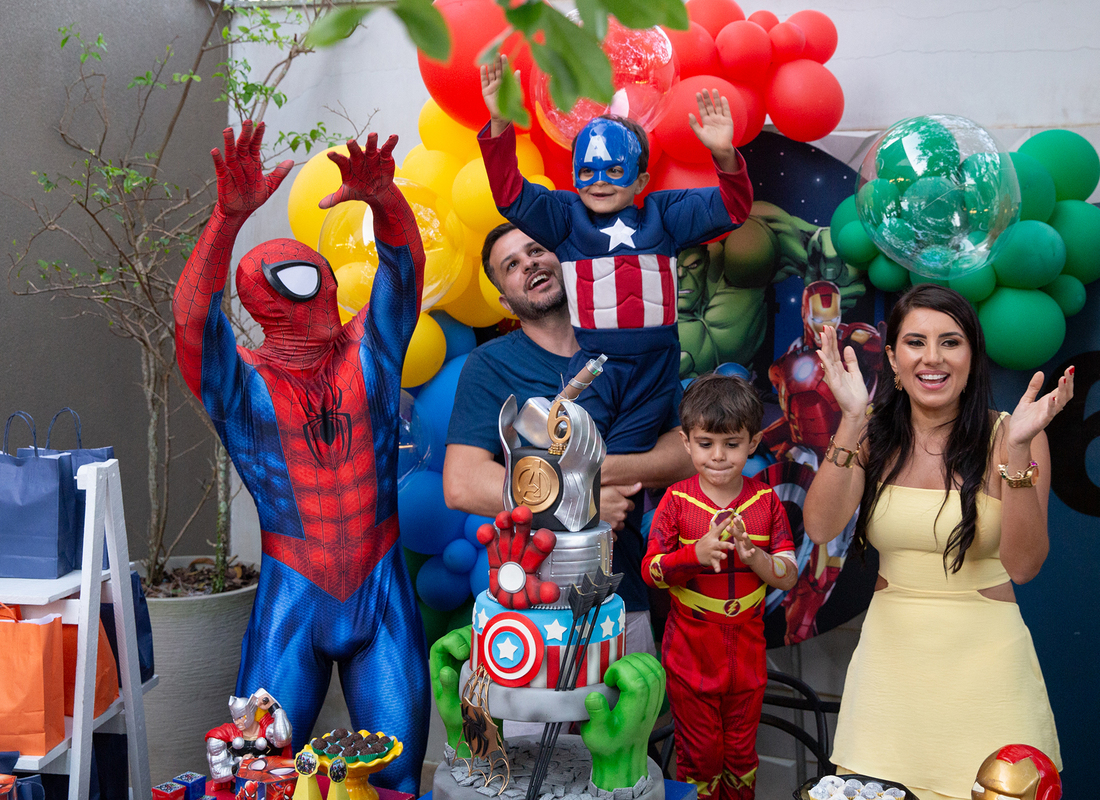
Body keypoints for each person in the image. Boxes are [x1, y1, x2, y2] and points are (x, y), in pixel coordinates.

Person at [174, 122, 428, 792]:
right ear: (263, 305)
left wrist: (386, 201)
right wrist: (227, 219)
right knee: (262, 778)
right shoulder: (246, 386)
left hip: (380, 589)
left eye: (313, 280)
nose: (313, 299)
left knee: (395, 779)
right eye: (292, 287)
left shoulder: (369, 352)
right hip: (294, 596)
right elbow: (191, 322)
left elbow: (405, 270)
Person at [802, 284, 1074, 800]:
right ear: (892, 358)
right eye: (915, 342)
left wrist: (1016, 454)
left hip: (988, 670)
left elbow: (1024, 565)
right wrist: (852, 419)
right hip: (889, 666)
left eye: (950, 342)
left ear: (972, 355)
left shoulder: (1013, 434)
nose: (932, 358)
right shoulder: (873, 433)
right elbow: (819, 526)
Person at [477, 55, 752, 458]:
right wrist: (500, 123)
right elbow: (509, 193)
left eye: (614, 170)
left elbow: (733, 208)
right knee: (575, 451)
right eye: (587, 172)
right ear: (574, 176)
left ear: (640, 179)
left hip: (655, 371)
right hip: (595, 366)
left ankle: (618, 523)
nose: (599, 182)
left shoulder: (665, 215)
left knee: (628, 459)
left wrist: (725, 156)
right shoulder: (565, 218)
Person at [442, 223, 695, 655]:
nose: (530, 264)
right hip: (527, 607)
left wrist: (595, 474)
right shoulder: (489, 365)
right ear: (506, 300)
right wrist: (581, 500)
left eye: (536, 249)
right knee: (537, 724)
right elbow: (462, 483)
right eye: (512, 265)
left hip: (621, 593)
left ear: (564, 262)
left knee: (626, 721)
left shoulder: (631, 349)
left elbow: (688, 452)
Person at [641, 373, 799, 800]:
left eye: (732, 444)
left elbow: (789, 572)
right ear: (686, 442)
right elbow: (652, 571)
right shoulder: (676, 502)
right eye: (706, 443)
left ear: (752, 442)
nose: (718, 456)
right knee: (701, 757)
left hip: (747, 649)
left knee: (742, 758)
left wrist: (756, 558)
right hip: (692, 649)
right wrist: (695, 554)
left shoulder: (766, 502)